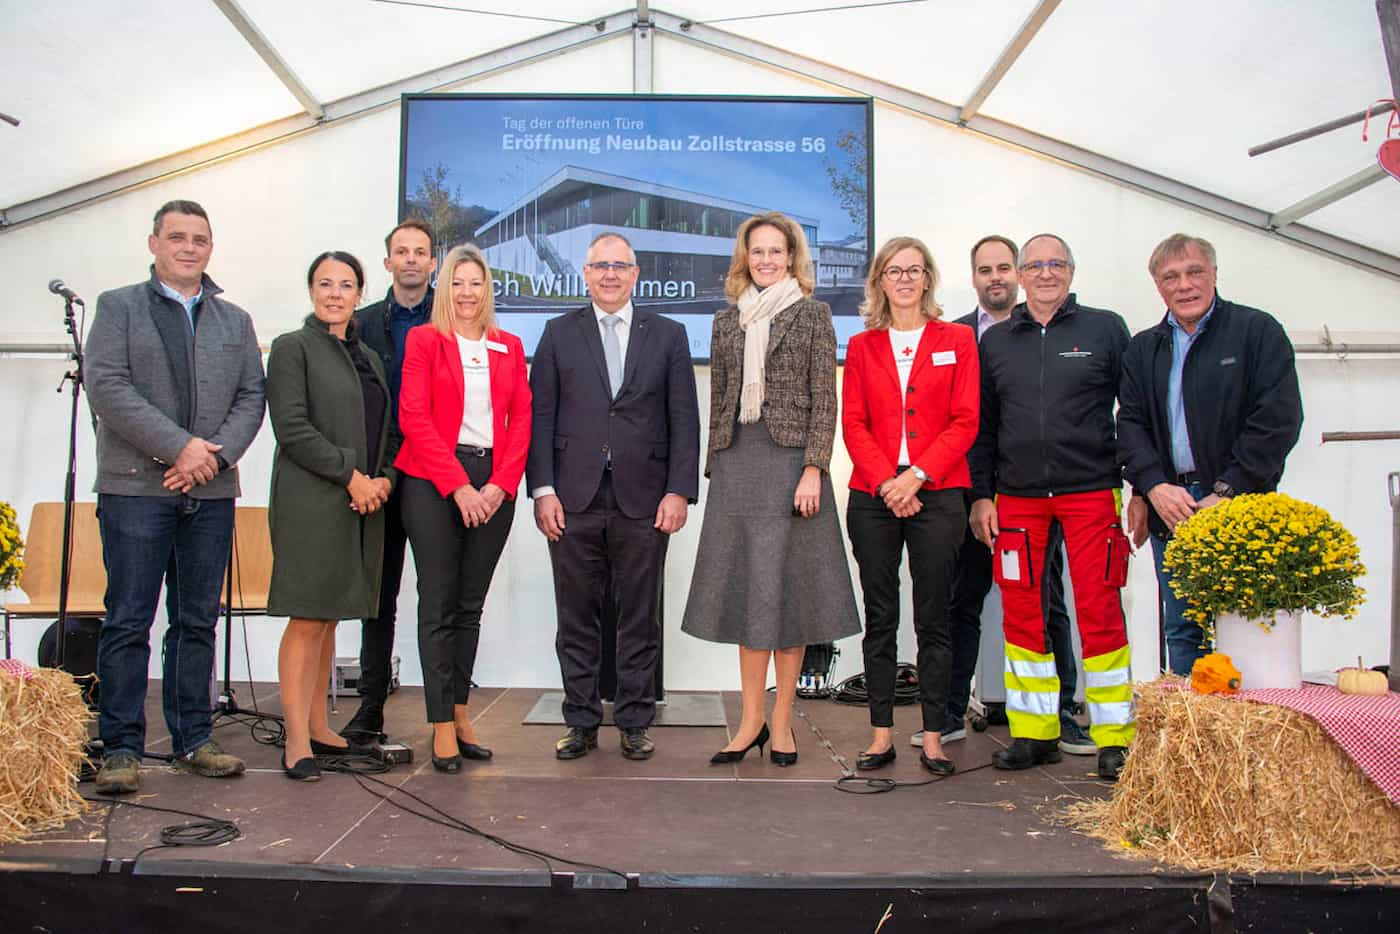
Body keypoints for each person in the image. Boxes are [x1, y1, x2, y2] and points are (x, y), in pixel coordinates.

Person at [86, 199, 265, 794]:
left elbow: (251, 397)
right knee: (129, 619)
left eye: (200, 239)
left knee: (196, 620)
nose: (190, 248)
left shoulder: (234, 321)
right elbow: (107, 386)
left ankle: (194, 737)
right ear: (154, 244)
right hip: (136, 489)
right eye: (178, 238)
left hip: (210, 493)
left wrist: (210, 457)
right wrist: (179, 448)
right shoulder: (119, 308)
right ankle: (121, 747)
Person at [682, 212, 859, 768]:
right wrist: (716, 467)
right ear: (745, 258)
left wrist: (815, 468)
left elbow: (824, 397)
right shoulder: (725, 321)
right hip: (738, 465)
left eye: (775, 252)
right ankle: (750, 721)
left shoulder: (813, 314)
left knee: (790, 595)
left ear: (791, 257)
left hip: (790, 467)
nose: (765, 260)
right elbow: (720, 400)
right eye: (756, 252)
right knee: (746, 595)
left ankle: (783, 724)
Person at [968, 233, 1136, 782]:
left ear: (1071, 270)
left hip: (1091, 492)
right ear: (1018, 273)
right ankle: (1035, 733)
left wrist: (1134, 487)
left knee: (1100, 609)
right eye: (1034, 265)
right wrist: (981, 496)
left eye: (1055, 264)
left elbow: (1133, 414)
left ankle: (1114, 737)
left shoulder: (1106, 329)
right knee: (1021, 615)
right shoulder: (995, 341)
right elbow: (983, 428)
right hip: (1016, 498)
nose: (1045, 274)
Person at [528, 231, 700, 762]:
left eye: (619, 265)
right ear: (584, 274)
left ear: (635, 274)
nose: (609, 274)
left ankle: (633, 721)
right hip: (572, 499)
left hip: (645, 498)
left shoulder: (668, 335)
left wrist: (679, 491)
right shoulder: (558, 333)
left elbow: (683, 421)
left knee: (639, 617)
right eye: (600, 265)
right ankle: (580, 721)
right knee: (575, 616)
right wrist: (543, 489)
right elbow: (542, 418)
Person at [927, 235, 1091, 758]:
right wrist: (976, 495)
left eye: (1004, 268)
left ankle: (1064, 714)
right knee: (963, 600)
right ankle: (951, 712)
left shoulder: (1039, 332)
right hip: (968, 494)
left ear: (1017, 276)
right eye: (984, 269)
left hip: (1037, 492)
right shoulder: (952, 336)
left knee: (1048, 603)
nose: (995, 277)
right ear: (972, 278)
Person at [1118, 233, 1303, 675]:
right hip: (1174, 505)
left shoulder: (1256, 331)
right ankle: (1192, 736)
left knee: (1250, 621)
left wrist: (1229, 489)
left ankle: (1247, 736)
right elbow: (1130, 425)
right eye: (1171, 277)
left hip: (1241, 505)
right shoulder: (1145, 348)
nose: (1184, 285)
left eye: (1194, 272)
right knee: (1183, 626)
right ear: (1157, 286)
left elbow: (1277, 420)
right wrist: (1152, 487)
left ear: (1215, 274)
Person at [840, 237, 977, 775]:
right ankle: (880, 735)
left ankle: (936, 734)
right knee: (880, 617)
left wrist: (916, 476)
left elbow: (966, 419)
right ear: (879, 281)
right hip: (874, 497)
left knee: (935, 619)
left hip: (939, 492)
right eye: (893, 271)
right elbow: (853, 423)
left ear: (928, 279)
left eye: (913, 270)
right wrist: (887, 483)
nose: (904, 279)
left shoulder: (958, 339)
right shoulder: (863, 345)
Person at [395, 244, 531, 773]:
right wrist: (458, 487)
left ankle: (460, 711)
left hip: (493, 483)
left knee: (470, 605)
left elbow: (521, 420)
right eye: (457, 282)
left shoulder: (508, 345)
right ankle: (440, 725)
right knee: (439, 604)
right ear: (443, 287)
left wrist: (499, 485)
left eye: (476, 283)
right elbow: (414, 417)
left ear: (487, 290)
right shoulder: (424, 341)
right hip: (432, 481)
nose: (467, 293)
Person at [265, 251, 396, 781]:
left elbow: (384, 428)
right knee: (307, 615)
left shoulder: (368, 356)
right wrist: (352, 476)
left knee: (332, 615)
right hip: (313, 500)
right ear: (311, 290)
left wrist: (383, 477)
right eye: (325, 283)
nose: (335, 293)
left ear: (361, 293)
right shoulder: (292, 348)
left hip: (363, 500)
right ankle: (296, 740)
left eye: (346, 285)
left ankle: (320, 725)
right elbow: (292, 429)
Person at [341, 219, 438, 743]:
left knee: (440, 596)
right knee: (377, 598)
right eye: (401, 251)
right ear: (387, 263)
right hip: (379, 476)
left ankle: (446, 713)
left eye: (420, 252)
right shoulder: (360, 323)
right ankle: (370, 706)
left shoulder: (452, 318)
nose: (410, 260)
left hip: (433, 475)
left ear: (432, 261)